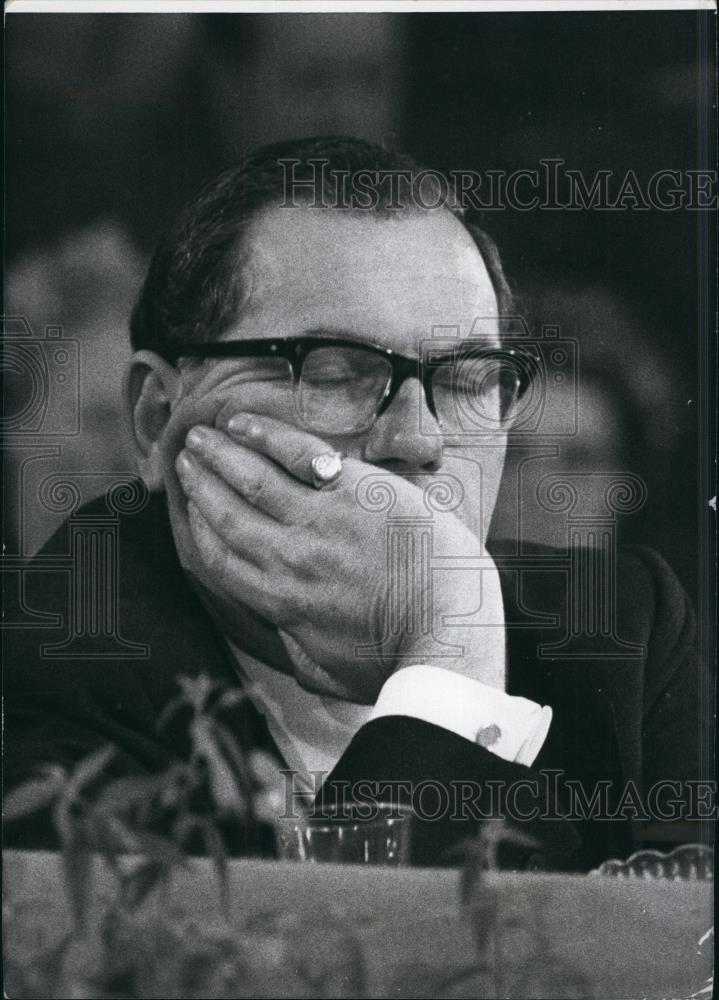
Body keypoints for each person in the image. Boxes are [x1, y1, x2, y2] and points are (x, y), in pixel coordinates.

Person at [4, 137, 709, 869]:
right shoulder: (38, 669)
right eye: (336, 372)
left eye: (468, 378)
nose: (418, 436)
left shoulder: (622, 635)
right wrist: (448, 664)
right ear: (157, 419)